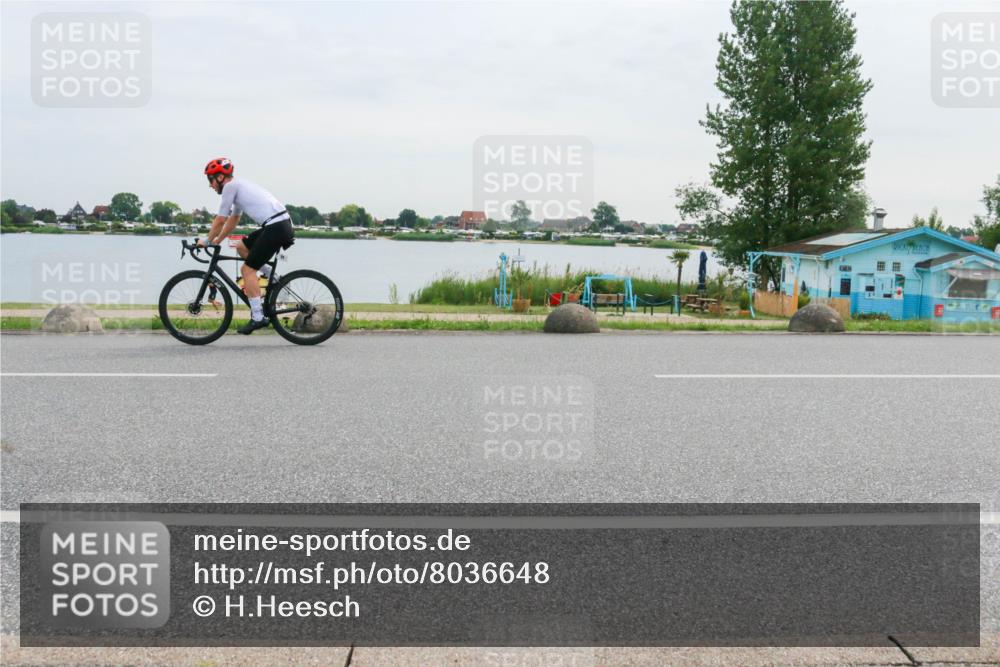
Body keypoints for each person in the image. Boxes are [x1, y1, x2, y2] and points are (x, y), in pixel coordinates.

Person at [201, 158, 295, 334]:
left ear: (220, 177)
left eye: (211, 180)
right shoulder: (237, 187)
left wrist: (206, 240)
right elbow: (233, 219)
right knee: (241, 246)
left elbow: (221, 219)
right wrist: (217, 241)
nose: (211, 185)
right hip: (278, 224)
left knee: (247, 270)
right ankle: (273, 278)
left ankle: (258, 317)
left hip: (276, 226)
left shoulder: (230, 187)